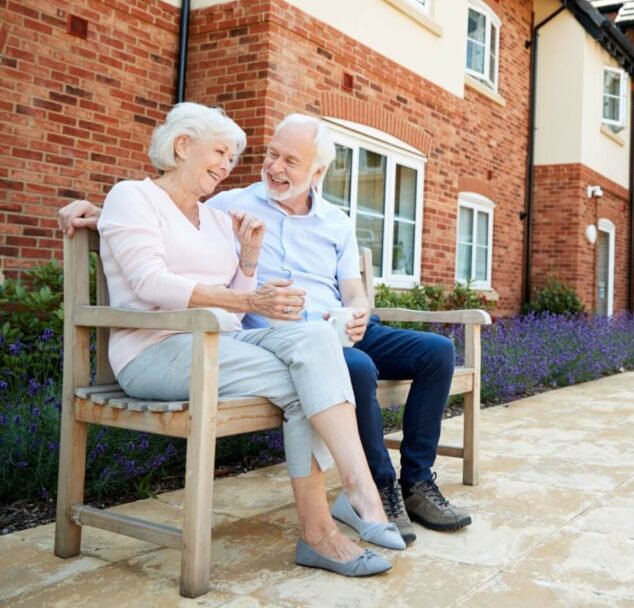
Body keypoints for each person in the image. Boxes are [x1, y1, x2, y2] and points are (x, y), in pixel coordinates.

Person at [59, 113, 472, 544]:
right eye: (271, 155)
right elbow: (161, 217)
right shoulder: (229, 203)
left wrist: (359, 311)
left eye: (290, 161)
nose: (274, 168)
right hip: (260, 336)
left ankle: (415, 483)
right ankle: (375, 490)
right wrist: (101, 213)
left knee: (436, 352)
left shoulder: (329, 220)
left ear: (317, 172)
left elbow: (351, 287)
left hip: (332, 327)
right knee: (353, 368)